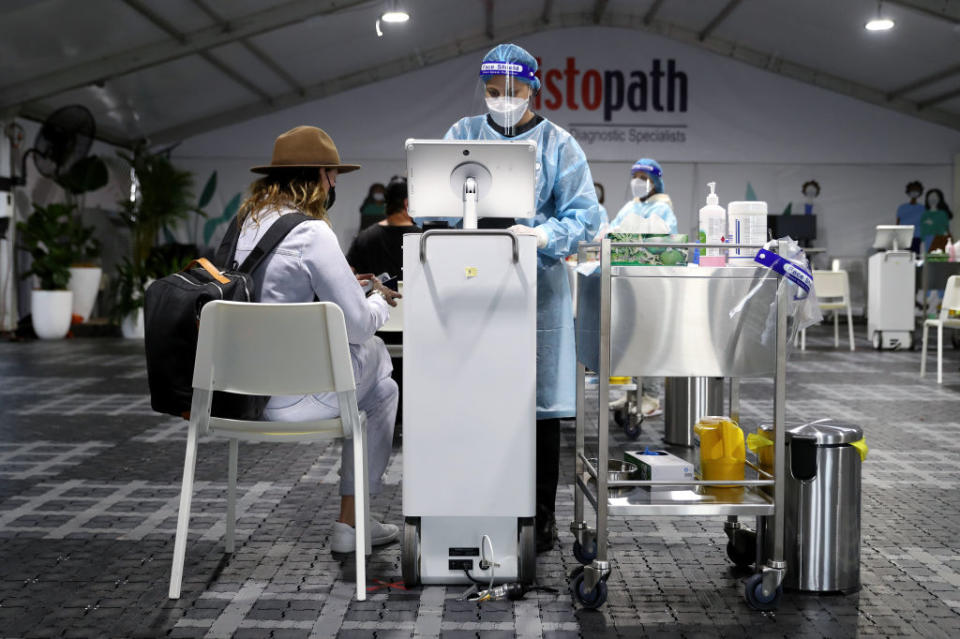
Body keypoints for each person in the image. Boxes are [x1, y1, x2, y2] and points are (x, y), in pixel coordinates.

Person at [443, 43, 601, 552]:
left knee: (538, 411)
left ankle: (541, 517)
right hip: (471, 287)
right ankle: (480, 506)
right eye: (493, 92)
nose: (502, 101)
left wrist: (541, 236)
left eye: (512, 91)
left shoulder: (559, 145)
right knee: (476, 400)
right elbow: (436, 201)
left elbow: (586, 218)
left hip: (537, 291)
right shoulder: (463, 136)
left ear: (534, 87)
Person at [234, 125, 401, 554]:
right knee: (380, 369)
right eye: (333, 176)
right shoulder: (312, 232)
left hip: (236, 396)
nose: (334, 186)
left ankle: (353, 523)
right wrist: (380, 301)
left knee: (372, 376)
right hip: (292, 401)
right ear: (319, 177)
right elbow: (360, 325)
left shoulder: (243, 225)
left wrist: (343, 283)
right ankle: (352, 522)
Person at [347, 175, 420, 281]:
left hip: (375, 297)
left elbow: (347, 274)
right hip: (416, 297)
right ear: (407, 203)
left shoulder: (364, 238)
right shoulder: (423, 238)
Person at [608, 158, 677, 234]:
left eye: (643, 178)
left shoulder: (662, 209)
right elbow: (610, 233)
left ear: (655, 183)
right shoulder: (628, 208)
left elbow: (667, 240)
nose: (637, 181)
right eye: (634, 177)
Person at [896, 181, 925, 254]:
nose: (914, 192)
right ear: (908, 191)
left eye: (916, 190)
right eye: (912, 190)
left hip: (917, 237)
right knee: (903, 256)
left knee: (915, 257)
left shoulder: (922, 208)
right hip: (903, 236)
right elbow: (897, 223)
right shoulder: (902, 208)